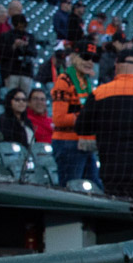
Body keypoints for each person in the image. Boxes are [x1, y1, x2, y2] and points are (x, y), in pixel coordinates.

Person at [74, 50, 133, 199]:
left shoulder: (101, 93)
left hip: (116, 167)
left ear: (117, 66)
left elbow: (82, 127)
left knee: (119, 209)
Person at [50, 43, 101, 186]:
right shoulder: (64, 81)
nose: (90, 62)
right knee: (71, 188)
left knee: (94, 186)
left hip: (84, 143)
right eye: (86, 57)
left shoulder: (85, 81)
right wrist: (86, 117)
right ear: (74, 57)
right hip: (68, 144)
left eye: (93, 59)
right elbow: (59, 119)